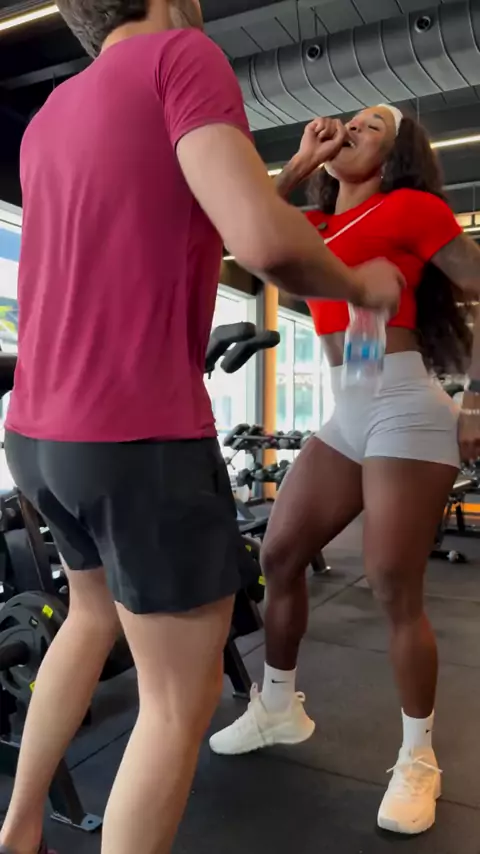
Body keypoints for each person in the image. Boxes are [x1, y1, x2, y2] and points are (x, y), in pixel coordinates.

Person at [0, 3, 403, 853]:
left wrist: (296, 169)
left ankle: (21, 826)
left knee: (88, 616)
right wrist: (359, 285)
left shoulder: (52, 113)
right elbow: (259, 241)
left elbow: (186, 215)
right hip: (136, 433)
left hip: (38, 435)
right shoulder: (181, 56)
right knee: (176, 705)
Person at [210, 105, 480, 836]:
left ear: (395, 157)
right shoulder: (313, 228)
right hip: (348, 409)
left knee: (392, 583)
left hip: (405, 407)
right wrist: (300, 162)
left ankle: (419, 758)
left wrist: (475, 399)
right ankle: (277, 705)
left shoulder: (412, 207)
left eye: (373, 128)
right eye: (349, 122)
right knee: (279, 553)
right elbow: (241, 231)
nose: (352, 129)